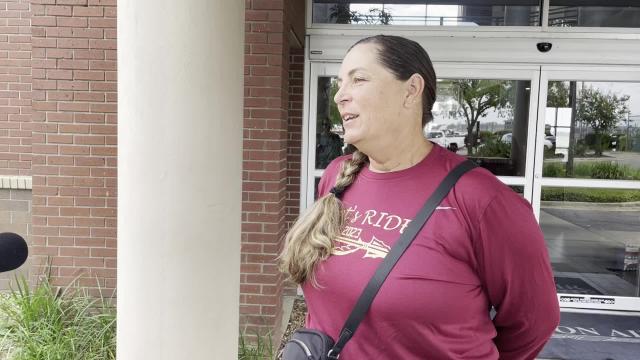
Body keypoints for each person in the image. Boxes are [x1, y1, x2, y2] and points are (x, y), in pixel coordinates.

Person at [279, 35, 559, 359]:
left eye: (358, 79)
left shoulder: (483, 202)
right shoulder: (338, 176)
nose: (341, 96)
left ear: (411, 90)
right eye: (341, 83)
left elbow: (535, 321)